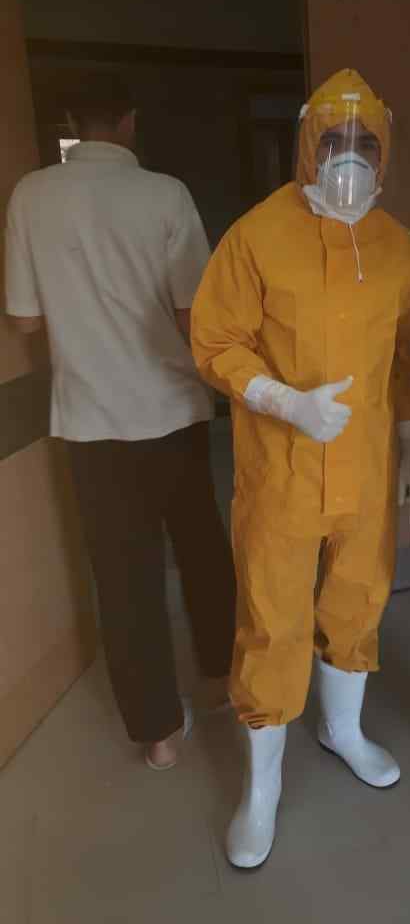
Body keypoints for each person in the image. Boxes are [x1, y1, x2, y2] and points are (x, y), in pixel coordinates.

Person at [191, 69, 410, 868]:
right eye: (334, 140)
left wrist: (409, 446)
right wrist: (283, 401)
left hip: (366, 470)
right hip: (283, 468)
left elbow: (409, 359)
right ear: (308, 145)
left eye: (366, 143)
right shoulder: (256, 236)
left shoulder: (401, 250)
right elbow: (216, 339)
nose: (349, 156)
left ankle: (344, 730)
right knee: (273, 617)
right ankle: (261, 790)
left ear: (385, 149)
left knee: (358, 601)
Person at [4, 72, 236, 771]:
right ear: (130, 120)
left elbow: (23, 318)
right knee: (201, 550)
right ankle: (222, 681)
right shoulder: (165, 194)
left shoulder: (31, 195)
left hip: (90, 422)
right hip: (172, 410)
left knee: (123, 575)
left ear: (70, 121)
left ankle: (158, 734)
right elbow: (196, 312)